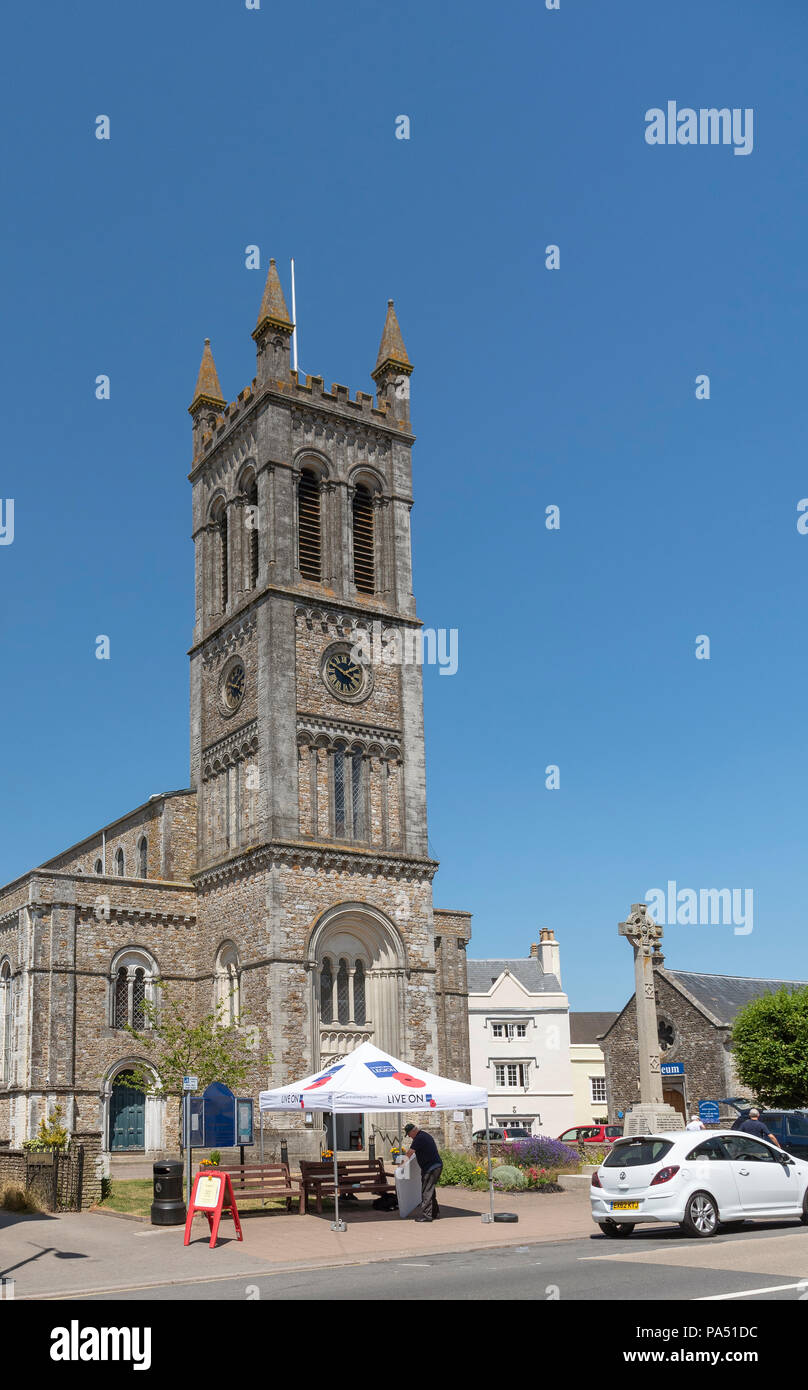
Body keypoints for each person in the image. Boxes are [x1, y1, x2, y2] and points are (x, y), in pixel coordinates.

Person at [403, 1122, 443, 1222]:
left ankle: (427, 1216)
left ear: (413, 1131)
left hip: (431, 1168)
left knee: (426, 1191)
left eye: (409, 1134)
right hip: (435, 1166)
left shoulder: (419, 1138)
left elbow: (410, 1153)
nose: (409, 1136)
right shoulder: (424, 1135)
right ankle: (435, 1213)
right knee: (430, 1190)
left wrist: (401, 1165)